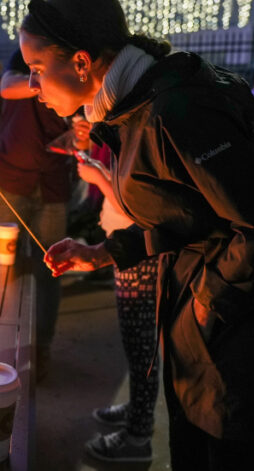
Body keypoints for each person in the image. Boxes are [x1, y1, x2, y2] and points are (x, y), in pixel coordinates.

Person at [27, 0, 254, 470]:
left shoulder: (172, 111)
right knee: (189, 452)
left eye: (38, 69)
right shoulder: (129, 109)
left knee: (225, 455)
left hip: (245, 336)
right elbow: (191, 217)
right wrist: (106, 252)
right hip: (202, 324)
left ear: (81, 62)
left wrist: (210, 302)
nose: (34, 85)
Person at [0, 48, 90, 382]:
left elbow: (81, 138)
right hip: (10, 183)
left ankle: (40, 348)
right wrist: (49, 81)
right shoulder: (20, 64)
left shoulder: (77, 71)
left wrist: (81, 140)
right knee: (4, 268)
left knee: (50, 270)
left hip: (52, 186)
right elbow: (4, 89)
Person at [76, 154, 161, 462]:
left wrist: (98, 177)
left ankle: (138, 437)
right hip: (125, 247)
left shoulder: (144, 133)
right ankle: (138, 408)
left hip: (136, 254)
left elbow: (137, 208)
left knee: (141, 347)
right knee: (137, 346)